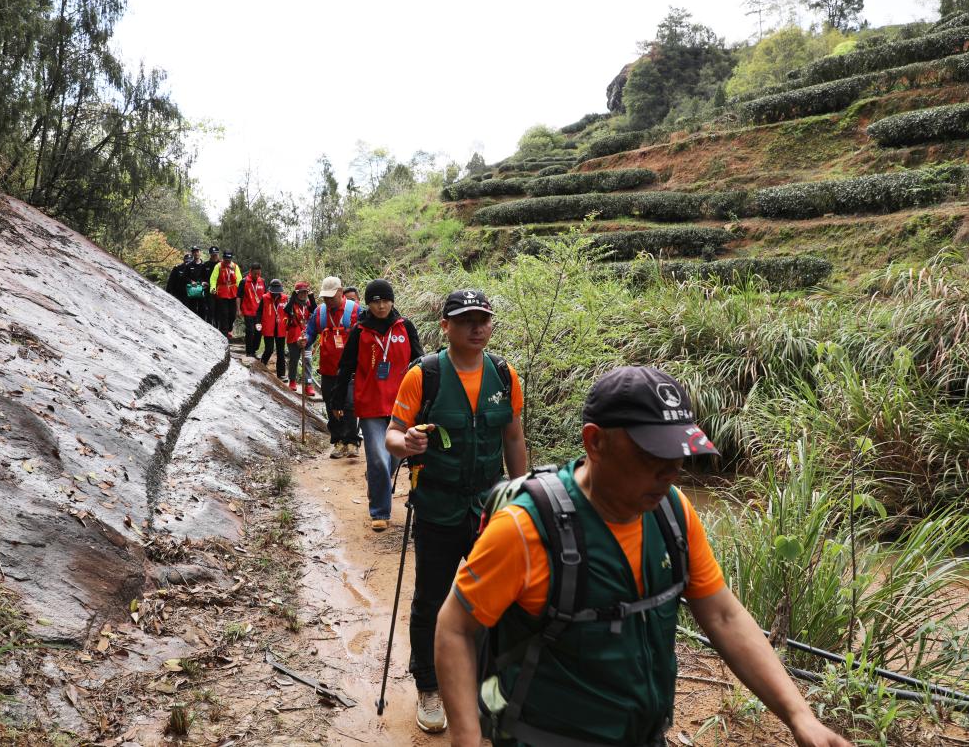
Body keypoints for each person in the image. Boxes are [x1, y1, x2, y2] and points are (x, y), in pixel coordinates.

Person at [434, 366, 852, 747]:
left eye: (678, 459)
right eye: (652, 458)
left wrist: (800, 716)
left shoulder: (672, 514)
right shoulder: (525, 531)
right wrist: (466, 739)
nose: (671, 475)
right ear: (595, 442)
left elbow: (723, 615)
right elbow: (455, 627)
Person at [385, 288, 527, 734]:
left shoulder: (503, 374)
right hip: (437, 506)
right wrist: (405, 444)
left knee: (500, 597)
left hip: (490, 508)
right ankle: (428, 685)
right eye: (466, 319)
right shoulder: (424, 375)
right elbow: (393, 432)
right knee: (431, 598)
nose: (477, 327)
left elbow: (514, 440)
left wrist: (523, 496)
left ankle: (491, 687)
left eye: (483, 318)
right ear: (445, 326)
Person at [334, 279, 423, 532]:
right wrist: (338, 399)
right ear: (368, 303)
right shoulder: (360, 332)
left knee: (395, 457)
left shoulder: (405, 327)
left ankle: (376, 481)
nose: (381, 305)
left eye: (385, 300)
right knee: (378, 459)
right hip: (371, 404)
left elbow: (420, 361)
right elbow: (346, 367)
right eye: (375, 301)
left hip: (403, 406)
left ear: (393, 301)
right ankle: (380, 512)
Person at [306, 275, 361, 459]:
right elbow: (310, 332)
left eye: (331, 296)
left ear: (340, 291)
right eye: (325, 297)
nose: (328, 300)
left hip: (350, 370)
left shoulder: (355, 310)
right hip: (328, 369)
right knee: (331, 406)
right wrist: (304, 340)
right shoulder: (320, 312)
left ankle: (352, 442)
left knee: (349, 405)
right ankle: (338, 441)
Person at [285, 281, 317, 397]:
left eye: (305, 292)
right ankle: (292, 381)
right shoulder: (292, 304)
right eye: (301, 292)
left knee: (307, 361)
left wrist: (312, 298)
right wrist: (292, 298)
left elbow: (315, 311)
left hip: (307, 337)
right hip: (294, 337)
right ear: (297, 293)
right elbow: (286, 311)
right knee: (294, 360)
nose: (304, 294)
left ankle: (308, 385)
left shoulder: (308, 304)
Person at [255, 278, 288, 380]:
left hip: (281, 328)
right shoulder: (265, 298)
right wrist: (258, 322)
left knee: (281, 351)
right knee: (269, 349)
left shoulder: (285, 298)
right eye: (274, 292)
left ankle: (281, 374)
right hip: (268, 327)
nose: (276, 294)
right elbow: (259, 312)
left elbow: (289, 312)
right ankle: (262, 367)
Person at [210, 250, 242, 339]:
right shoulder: (218, 266)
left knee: (232, 314)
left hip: (233, 292)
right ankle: (224, 334)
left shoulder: (235, 267)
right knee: (224, 313)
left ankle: (229, 327)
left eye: (229, 259)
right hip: (222, 292)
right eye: (226, 259)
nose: (227, 261)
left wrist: (241, 291)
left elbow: (239, 280)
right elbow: (213, 279)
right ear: (223, 258)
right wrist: (213, 288)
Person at [237, 262, 266, 355]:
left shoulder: (262, 281)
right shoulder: (244, 281)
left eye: (259, 273)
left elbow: (266, 296)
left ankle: (254, 350)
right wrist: (238, 309)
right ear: (250, 271)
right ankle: (249, 352)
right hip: (248, 311)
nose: (257, 276)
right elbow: (238, 296)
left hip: (259, 313)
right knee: (250, 331)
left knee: (258, 332)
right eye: (255, 274)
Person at [196, 246, 221, 327]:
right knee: (210, 310)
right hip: (209, 291)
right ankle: (210, 327)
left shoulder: (222, 265)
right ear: (210, 255)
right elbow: (199, 277)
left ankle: (220, 329)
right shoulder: (206, 265)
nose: (214, 256)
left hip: (221, 291)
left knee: (220, 311)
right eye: (212, 254)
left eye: (216, 254)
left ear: (218, 254)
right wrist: (202, 282)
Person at [180, 246, 206, 317]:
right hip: (192, 291)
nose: (196, 253)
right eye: (194, 252)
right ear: (192, 253)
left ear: (200, 252)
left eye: (197, 251)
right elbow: (184, 277)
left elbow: (207, 277)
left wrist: (204, 282)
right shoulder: (189, 265)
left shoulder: (204, 265)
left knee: (202, 309)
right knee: (192, 310)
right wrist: (191, 281)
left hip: (201, 291)